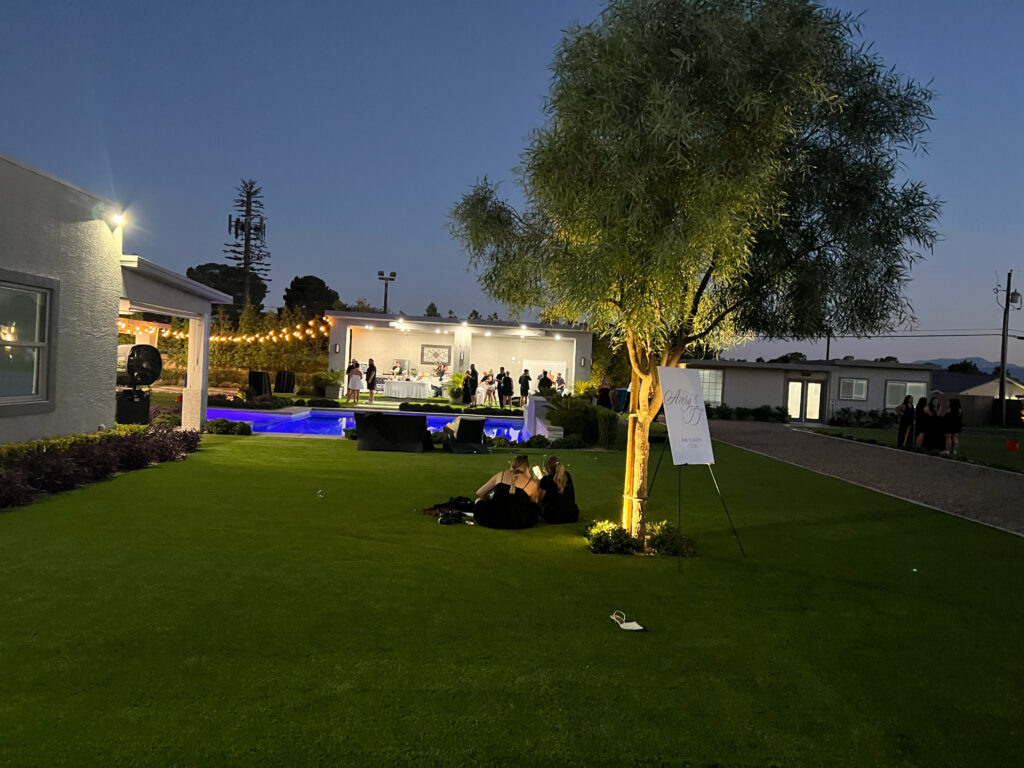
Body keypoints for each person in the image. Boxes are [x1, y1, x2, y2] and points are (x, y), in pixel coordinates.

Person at [473, 455, 540, 529]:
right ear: (527, 467)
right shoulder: (531, 484)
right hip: (517, 522)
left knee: (478, 500)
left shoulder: (501, 475)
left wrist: (490, 499)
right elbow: (534, 502)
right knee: (534, 507)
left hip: (494, 520)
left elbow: (480, 493)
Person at [537, 456, 580, 524]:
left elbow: (538, 499)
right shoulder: (567, 475)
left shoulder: (545, 480)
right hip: (571, 515)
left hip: (553, 516)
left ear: (547, 468)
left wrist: (539, 483)